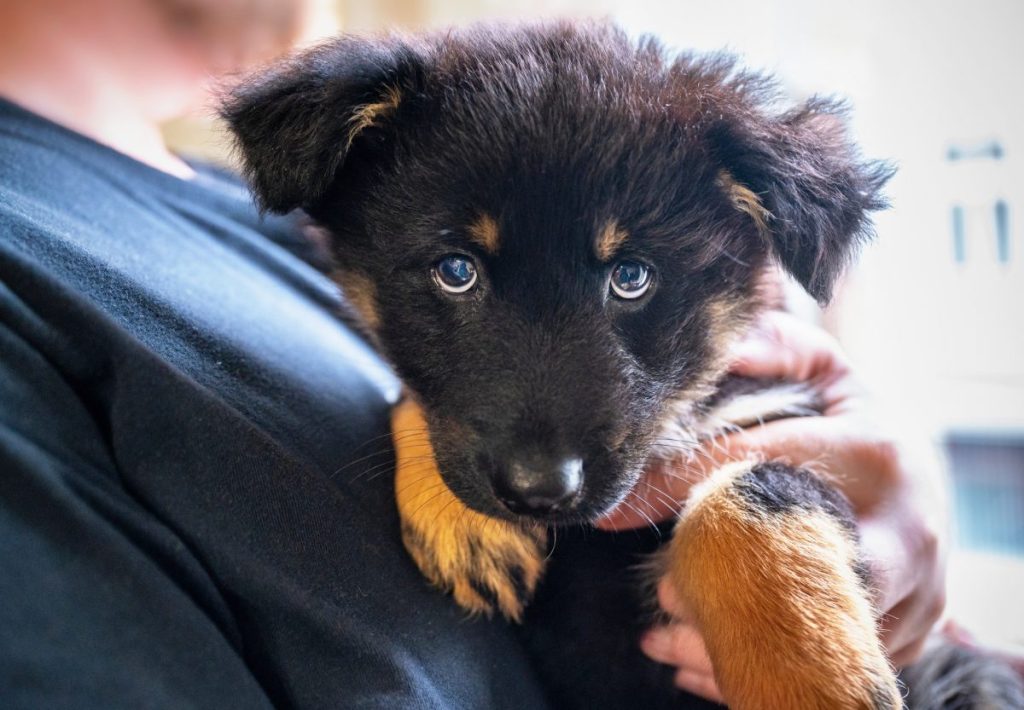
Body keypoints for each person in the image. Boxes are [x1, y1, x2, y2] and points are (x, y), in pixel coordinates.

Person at [0, 0, 947, 706]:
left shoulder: (261, 222)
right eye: (456, 272)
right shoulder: (33, 274)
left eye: (630, 284)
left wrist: (872, 522)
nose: (545, 463)